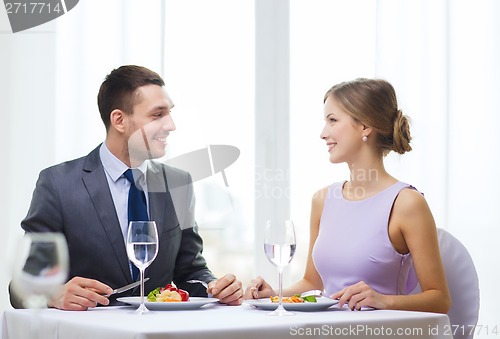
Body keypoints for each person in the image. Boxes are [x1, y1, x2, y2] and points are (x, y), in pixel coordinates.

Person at [10, 65, 244, 310]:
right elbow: (22, 286)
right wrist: (52, 295)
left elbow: (191, 270)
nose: (171, 125)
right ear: (119, 120)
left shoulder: (178, 183)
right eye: (158, 115)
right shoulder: (58, 184)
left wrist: (215, 287)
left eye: (170, 113)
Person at [245, 78, 451, 313]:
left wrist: (383, 300)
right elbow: (313, 283)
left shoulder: (406, 203)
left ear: (365, 126)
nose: (323, 133)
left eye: (332, 120)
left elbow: (440, 300)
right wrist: (275, 296)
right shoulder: (322, 200)